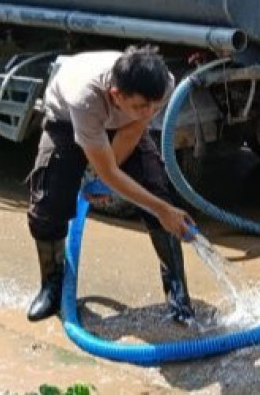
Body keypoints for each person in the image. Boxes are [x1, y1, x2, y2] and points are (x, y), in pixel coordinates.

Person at [26, 46, 197, 324]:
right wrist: (106, 177)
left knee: (157, 191)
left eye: (154, 105)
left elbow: (135, 126)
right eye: (143, 105)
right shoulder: (85, 99)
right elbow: (108, 171)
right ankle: (52, 286)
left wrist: (106, 181)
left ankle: (178, 292)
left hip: (121, 120)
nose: (150, 112)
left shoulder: (160, 84)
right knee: (48, 202)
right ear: (116, 94)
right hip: (66, 120)